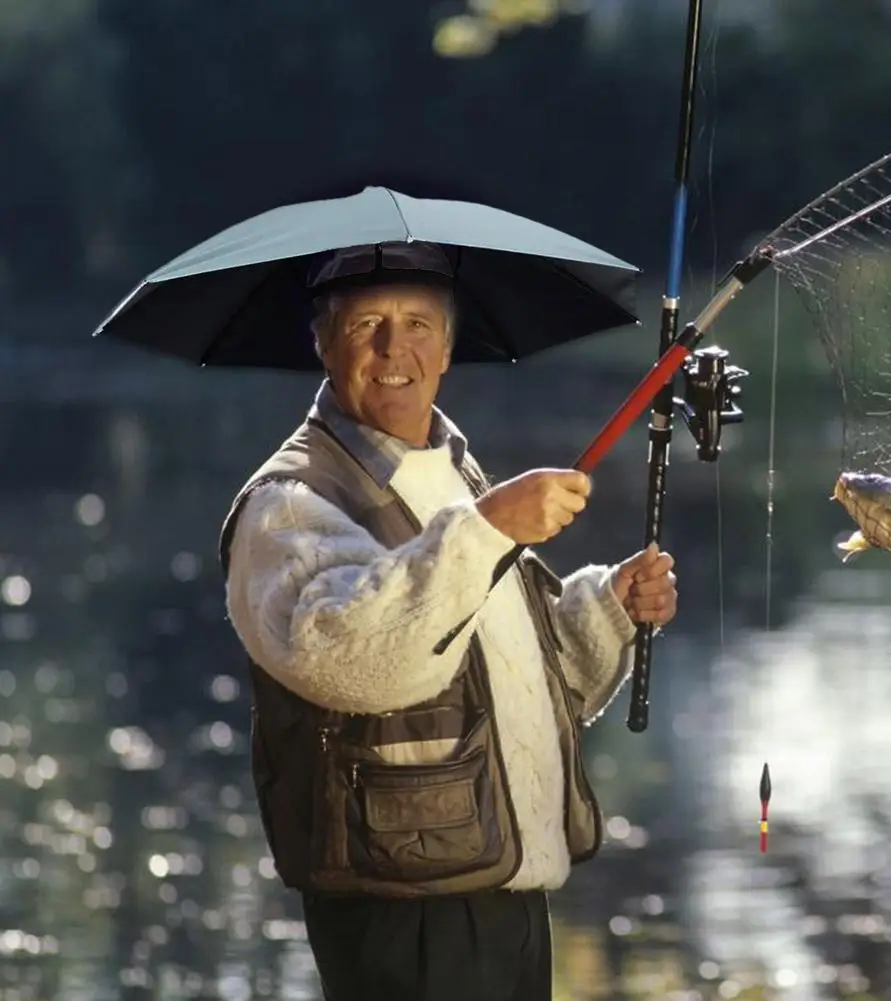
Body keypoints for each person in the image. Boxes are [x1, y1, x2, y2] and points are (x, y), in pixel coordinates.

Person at [219, 240, 678, 1001]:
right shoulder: (289, 502)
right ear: (323, 342)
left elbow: (518, 675)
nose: (394, 348)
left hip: (502, 888)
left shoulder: (454, 473)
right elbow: (356, 659)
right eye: (367, 323)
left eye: (418, 324)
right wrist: (489, 525)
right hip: (401, 907)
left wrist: (608, 608)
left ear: (448, 346)